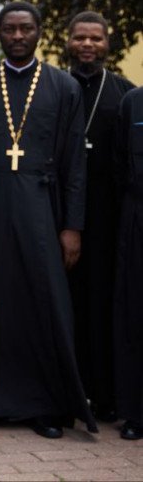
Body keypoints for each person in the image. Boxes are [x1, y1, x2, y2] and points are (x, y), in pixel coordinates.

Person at [0, 1, 96, 438]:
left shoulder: (63, 86)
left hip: (42, 208)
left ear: (39, 31)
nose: (17, 37)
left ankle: (45, 406)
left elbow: (75, 164)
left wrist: (72, 227)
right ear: (0, 34)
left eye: (26, 29)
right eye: (10, 30)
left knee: (44, 305)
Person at [64, 12, 134, 423]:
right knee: (67, 307)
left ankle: (106, 395)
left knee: (104, 308)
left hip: (108, 220)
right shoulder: (55, 88)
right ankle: (70, 392)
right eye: (80, 38)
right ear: (68, 41)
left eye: (96, 38)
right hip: (62, 220)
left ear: (107, 43)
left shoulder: (125, 94)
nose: (88, 45)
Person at [114, 84, 143, 440]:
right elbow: (119, 163)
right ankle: (136, 412)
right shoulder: (132, 102)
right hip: (137, 218)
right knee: (135, 314)